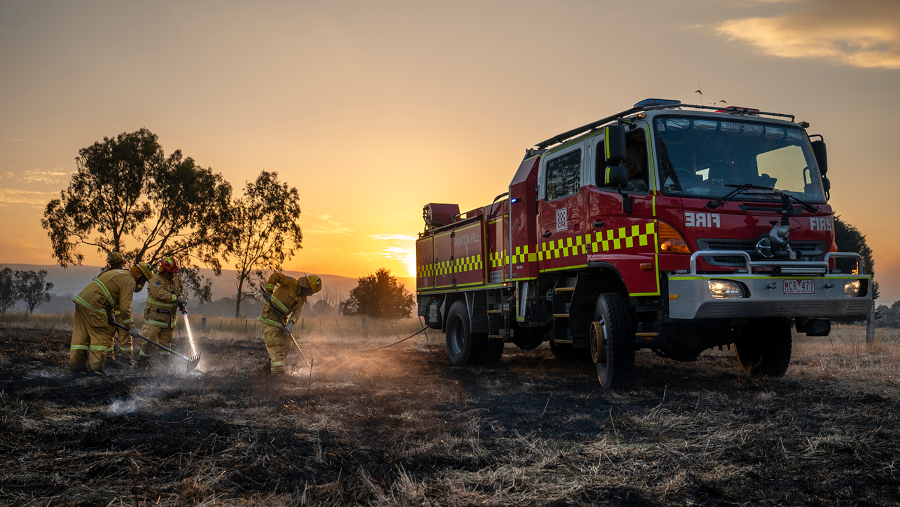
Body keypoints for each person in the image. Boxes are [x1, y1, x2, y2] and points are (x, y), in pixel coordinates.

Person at [70, 262, 155, 378]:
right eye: (144, 280)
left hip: (82, 301)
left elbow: (107, 293)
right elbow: (125, 309)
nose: (143, 283)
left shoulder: (121, 274)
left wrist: (110, 314)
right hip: (95, 305)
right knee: (101, 335)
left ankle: (78, 370)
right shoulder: (129, 282)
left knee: (81, 336)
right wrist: (130, 327)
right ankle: (96, 371)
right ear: (139, 277)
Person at [258, 273, 322, 374]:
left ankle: (268, 368)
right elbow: (275, 276)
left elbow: (297, 312)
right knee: (277, 348)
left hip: (281, 320)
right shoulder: (291, 283)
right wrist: (268, 291)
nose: (310, 294)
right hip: (270, 316)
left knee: (286, 346)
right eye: (310, 291)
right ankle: (277, 376)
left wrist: (291, 323)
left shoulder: (302, 298)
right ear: (307, 286)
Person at [136, 257, 187, 369]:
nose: (172, 275)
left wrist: (182, 302)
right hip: (154, 320)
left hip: (169, 321)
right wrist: (176, 299)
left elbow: (180, 293)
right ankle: (142, 364)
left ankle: (165, 365)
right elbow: (160, 294)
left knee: (165, 346)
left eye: (173, 273)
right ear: (163, 270)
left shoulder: (177, 280)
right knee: (148, 344)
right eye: (169, 273)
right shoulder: (156, 280)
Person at [102, 252, 133, 369]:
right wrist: (109, 312)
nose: (118, 267)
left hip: (122, 314)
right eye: (116, 265)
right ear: (111, 265)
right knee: (107, 337)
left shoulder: (127, 276)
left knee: (126, 337)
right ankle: (108, 360)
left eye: (120, 265)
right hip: (108, 313)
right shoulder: (104, 276)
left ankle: (127, 360)